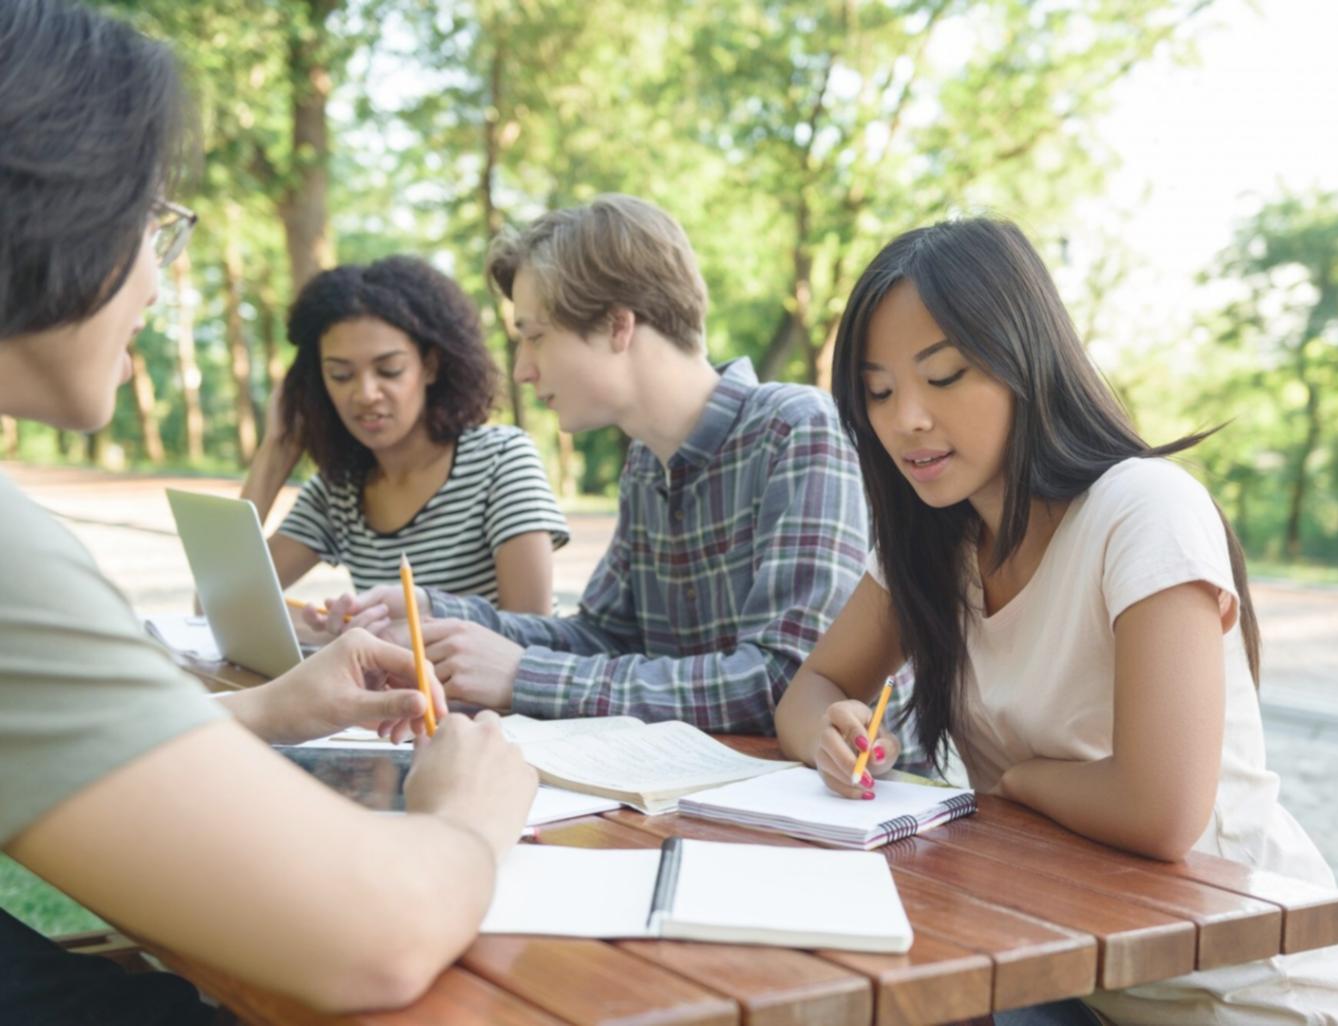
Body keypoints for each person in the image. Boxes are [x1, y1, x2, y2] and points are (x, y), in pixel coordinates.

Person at [0, 2, 535, 1021]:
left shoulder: (498, 460)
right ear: (47, 206)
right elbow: (374, 939)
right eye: (151, 224)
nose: (158, 283)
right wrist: (467, 816)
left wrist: (263, 710)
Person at [772, 218, 1338, 1025]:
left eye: (944, 376)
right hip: (1062, 973)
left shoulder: (1143, 512)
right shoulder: (933, 543)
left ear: (1028, 363)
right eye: (879, 393)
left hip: (1238, 988)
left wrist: (1015, 782)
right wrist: (830, 734)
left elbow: (1160, 812)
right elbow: (812, 687)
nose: (906, 419)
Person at [326, 194, 883, 737]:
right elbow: (604, 638)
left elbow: (785, 682)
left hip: (853, 815)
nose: (522, 370)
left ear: (619, 325)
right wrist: (436, 615)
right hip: (703, 799)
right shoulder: (647, 464)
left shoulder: (799, 430)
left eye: (536, 337)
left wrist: (524, 675)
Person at [241, 255, 569, 613]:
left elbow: (532, 630)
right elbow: (220, 603)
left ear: (430, 366)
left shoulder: (501, 461)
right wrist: (275, 450)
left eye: (389, 370)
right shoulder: (339, 492)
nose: (365, 394)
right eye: (340, 375)